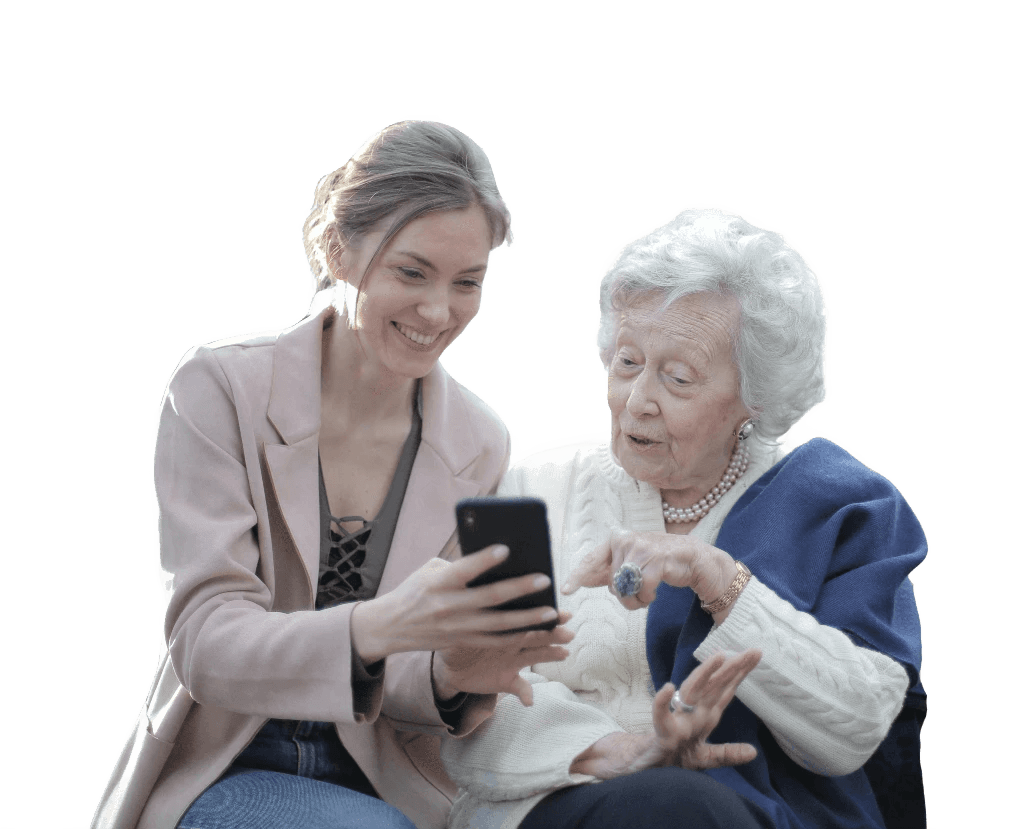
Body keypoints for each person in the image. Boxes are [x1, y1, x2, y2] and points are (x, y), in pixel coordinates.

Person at [88, 117, 574, 830]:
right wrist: (381, 625)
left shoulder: (481, 440)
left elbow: (410, 681)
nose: (439, 311)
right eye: (411, 272)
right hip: (228, 762)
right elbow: (205, 641)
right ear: (339, 249)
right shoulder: (218, 387)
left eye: (467, 282)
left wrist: (452, 673)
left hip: (392, 781)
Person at [441, 204, 928, 829]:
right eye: (626, 362)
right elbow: (473, 700)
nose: (638, 401)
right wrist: (626, 752)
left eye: (677, 377)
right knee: (673, 806)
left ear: (755, 397)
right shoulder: (534, 484)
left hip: (758, 815)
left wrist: (720, 581)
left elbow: (857, 729)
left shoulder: (840, 506)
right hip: (556, 802)